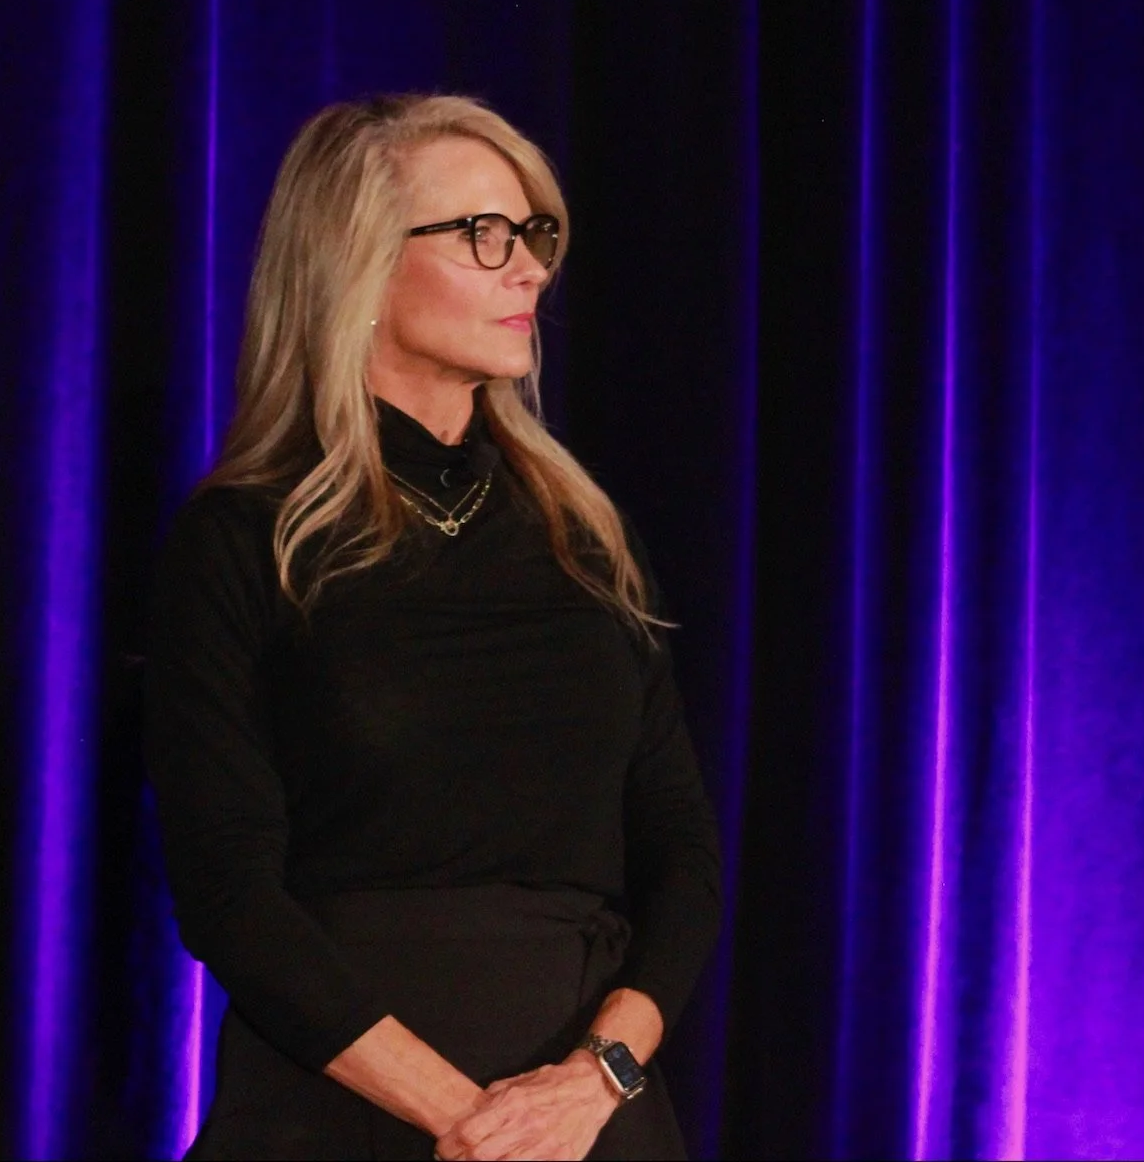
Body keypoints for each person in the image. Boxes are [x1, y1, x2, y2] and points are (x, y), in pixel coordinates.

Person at [144, 94, 721, 1160]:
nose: (529, 270)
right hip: (343, 1111)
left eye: (533, 234)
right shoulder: (245, 539)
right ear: (356, 268)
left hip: (583, 1121)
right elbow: (228, 891)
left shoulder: (579, 538)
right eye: (482, 236)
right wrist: (470, 1122)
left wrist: (595, 1082)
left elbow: (682, 855)